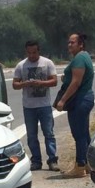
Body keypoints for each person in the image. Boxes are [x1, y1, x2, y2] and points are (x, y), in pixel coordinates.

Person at [13, 40, 59, 172]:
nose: (32, 55)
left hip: (44, 105)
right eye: (29, 53)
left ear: (39, 51)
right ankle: (36, 160)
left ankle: (52, 160)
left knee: (49, 133)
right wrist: (25, 84)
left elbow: (54, 81)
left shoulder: (47, 63)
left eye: (34, 52)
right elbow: (15, 85)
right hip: (29, 107)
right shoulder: (21, 65)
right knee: (32, 135)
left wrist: (41, 83)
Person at [55, 32, 95, 178]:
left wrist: (62, 100)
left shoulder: (79, 58)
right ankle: (89, 163)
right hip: (85, 98)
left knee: (79, 134)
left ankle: (79, 166)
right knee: (84, 133)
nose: (70, 45)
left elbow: (76, 82)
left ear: (80, 44)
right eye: (69, 42)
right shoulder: (84, 57)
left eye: (73, 42)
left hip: (80, 100)